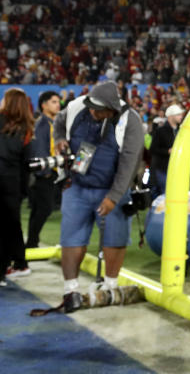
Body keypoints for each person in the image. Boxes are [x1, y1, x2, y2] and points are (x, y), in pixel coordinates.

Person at [53, 81, 144, 299]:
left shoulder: (129, 120)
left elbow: (129, 164)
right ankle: (70, 290)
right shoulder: (77, 107)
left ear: (111, 109)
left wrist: (113, 197)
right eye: (91, 106)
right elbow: (59, 120)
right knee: (71, 238)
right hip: (78, 186)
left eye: (99, 109)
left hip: (113, 188)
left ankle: (110, 285)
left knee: (115, 238)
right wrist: (59, 138)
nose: (93, 111)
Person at [0, 88, 34, 285]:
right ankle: (4, 270)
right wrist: (22, 192)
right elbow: (26, 165)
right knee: (8, 227)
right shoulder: (26, 130)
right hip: (12, 184)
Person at [25, 90, 61, 248]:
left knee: (39, 209)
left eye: (58, 101)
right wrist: (45, 173)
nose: (58, 104)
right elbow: (40, 150)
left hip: (51, 171)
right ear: (44, 105)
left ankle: (32, 243)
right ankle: (32, 243)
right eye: (53, 102)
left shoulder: (52, 123)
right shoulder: (42, 124)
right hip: (44, 174)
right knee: (44, 209)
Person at [148, 103, 184, 200]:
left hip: (175, 168)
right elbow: (153, 149)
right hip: (162, 168)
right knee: (164, 194)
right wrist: (167, 151)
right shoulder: (161, 131)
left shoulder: (181, 130)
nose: (181, 116)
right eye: (178, 114)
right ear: (171, 117)